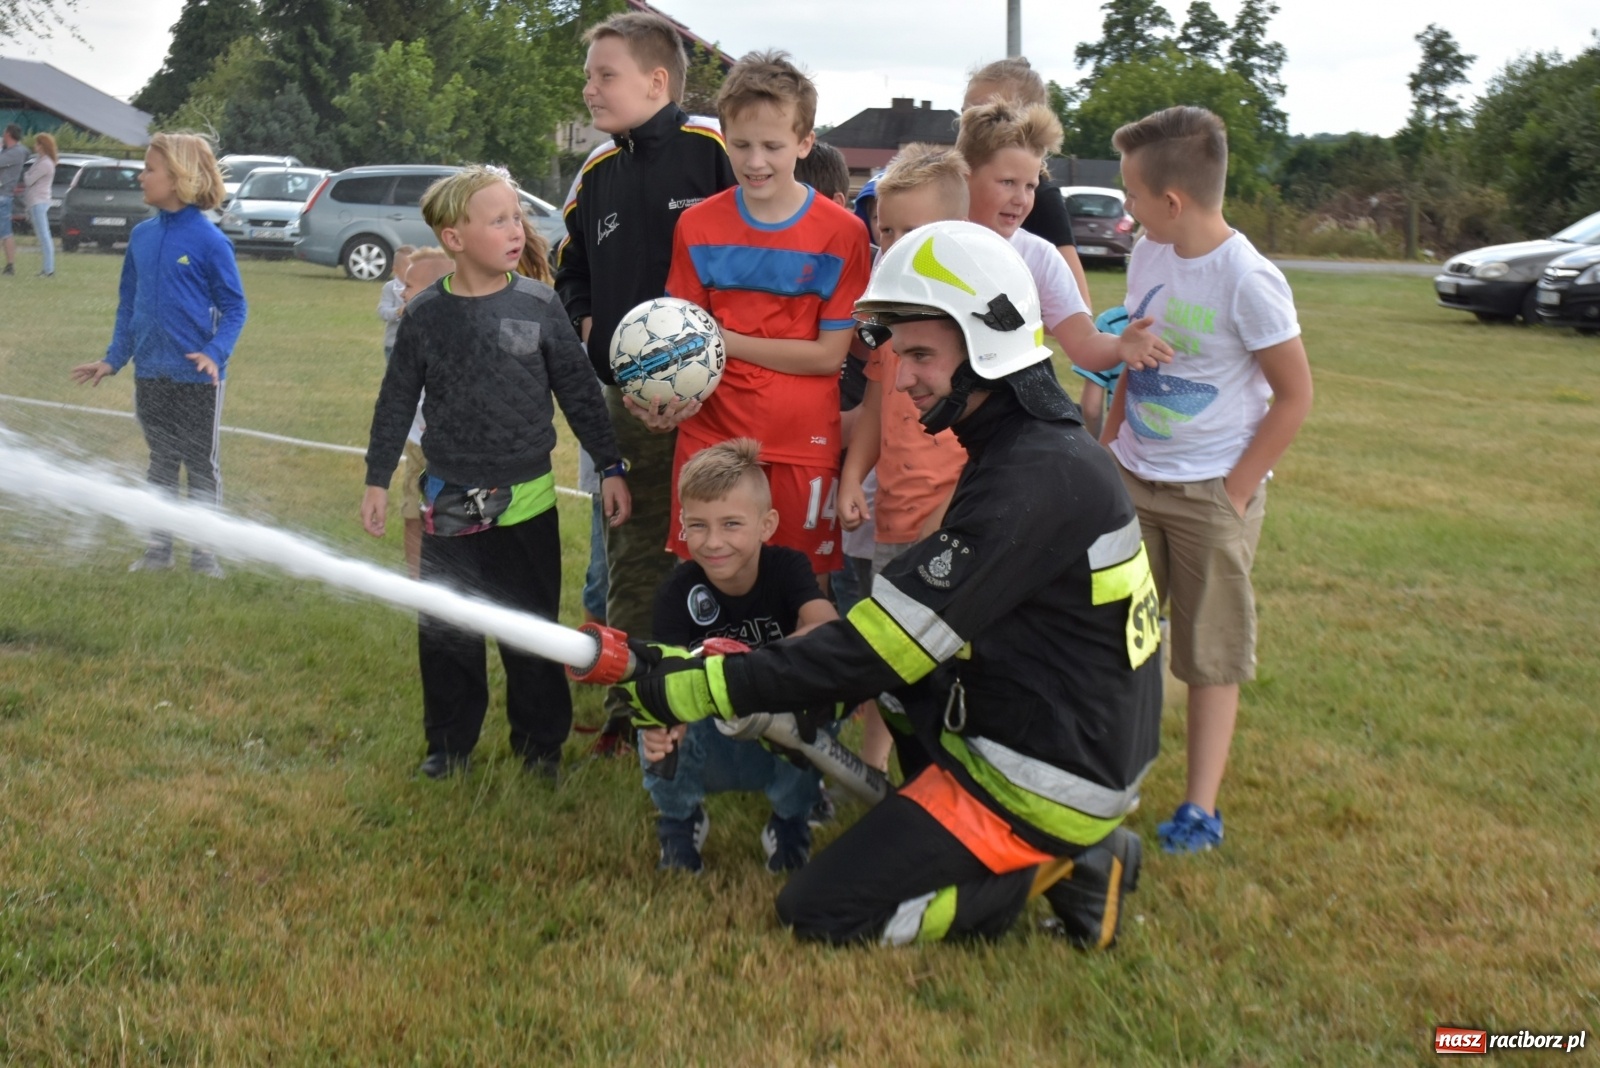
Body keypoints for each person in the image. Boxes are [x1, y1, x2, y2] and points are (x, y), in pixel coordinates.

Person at [621, 221, 1163, 948]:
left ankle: (1066, 864)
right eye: (900, 354)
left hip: (1047, 779)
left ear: (986, 343)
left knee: (817, 910)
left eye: (920, 355)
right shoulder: (1032, 447)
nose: (902, 379)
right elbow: (899, 634)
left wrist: (709, 686)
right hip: (1047, 729)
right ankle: (942, 816)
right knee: (897, 680)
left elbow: (883, 646)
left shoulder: (1034, 478)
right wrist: (805, 692)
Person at [361, 167, 631, 782]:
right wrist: (377, 479)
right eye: (499, 220)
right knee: (447, 631)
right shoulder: (425, 315)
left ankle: (540, 750)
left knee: (531, 631)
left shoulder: (539, 305)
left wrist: (610, 466)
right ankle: (448, 746)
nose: (517, 230)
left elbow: (579, 395)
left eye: (517, 217)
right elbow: (395, 401)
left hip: (527, 502)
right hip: (447, 502)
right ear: (454, 239)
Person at [1103, 106, 1313, 854]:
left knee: (1208, 653)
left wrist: (1234, 492)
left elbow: (1295, 396)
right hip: (1133, 478)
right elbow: (1133, 358)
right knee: (1118, 638)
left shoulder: (1248, 279)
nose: (1126, 208)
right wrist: (1109, 446)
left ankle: (1199, 808)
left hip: (1209, 494)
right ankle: (1107, 778)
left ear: (1172, 201)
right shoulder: (1148, 254)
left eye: (1131, 194)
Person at [555, 9, 737, 755]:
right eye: (589, 76)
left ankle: (726, 708)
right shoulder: (597, 173)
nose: (590, 90)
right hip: (630, 406)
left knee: (724, 547)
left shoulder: (714, 152)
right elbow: (572, 272)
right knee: (634, 554)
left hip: (727, 402)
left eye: (606, 76)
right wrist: (592, 331)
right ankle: (634, 712)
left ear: (657, 81)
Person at [661, 50, 873, 584]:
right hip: (710, 439)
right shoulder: (696, 226)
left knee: (801, 593)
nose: (755, 161)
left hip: (803, 443)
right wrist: (657, 397)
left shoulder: (843, 234)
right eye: (742, 145)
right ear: (725, 138)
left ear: (804, 143)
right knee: (706, 589)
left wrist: (724, 340)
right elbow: (684, 346)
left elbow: (827, 357)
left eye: (772, 146)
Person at [837, 144, 974, 774]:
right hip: (892, 522)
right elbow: (873, 406)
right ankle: (873, 772)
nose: (890, 244)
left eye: (909, 232)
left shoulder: (975, 322)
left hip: (955, 528)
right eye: (885, 229)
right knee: (888, 651)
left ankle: (948, 780)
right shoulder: (886, 318)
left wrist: (951, 510)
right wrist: (851, 477)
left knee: (949, 662)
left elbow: (1003, 438)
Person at [643, 438, 838, 874]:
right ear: (682, 524)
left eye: (731, 524)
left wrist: (759, 668)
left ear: (767, 525)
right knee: (653, 715)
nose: (714, 542)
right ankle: (679, 821)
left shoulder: (787, 567)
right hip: (709, 733)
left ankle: (790, 821)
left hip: (777, 729)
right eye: (698, 525)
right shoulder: (676, 592)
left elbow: (826, 625)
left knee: (822, 699)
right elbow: (666, 674)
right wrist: (664, 720)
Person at [69, 132, 247, 578]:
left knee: (200, 464)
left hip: (198, 378)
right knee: (162, 459)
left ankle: (204, 555)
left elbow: (235, 308)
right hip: (149, 372)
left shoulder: (210, 241)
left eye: (149, 169)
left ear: (179, 177)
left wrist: (214, 352)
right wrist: (114, 358)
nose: (141, 177)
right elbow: (129, 305)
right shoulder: (141, 237)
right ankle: (158, 550)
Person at [957, 101, 1161, 381]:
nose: (1021, 199)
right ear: (964, 177)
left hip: (1003, 404)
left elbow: (1084, 342)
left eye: (1030, 186)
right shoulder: (925, 241)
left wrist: (1119, 345)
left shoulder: (1040, 257)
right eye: (1007, 182)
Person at [963, 58, 1091, 308]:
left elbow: (1078, 303)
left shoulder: (1041, 198)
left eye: (984, 111)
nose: (969, 122)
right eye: (965, 112)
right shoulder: (945, 183)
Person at [380, 246, 453, 580]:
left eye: (409, 286)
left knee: (445, 522)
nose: (402, 293)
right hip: (415, 446)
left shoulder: (457, 340)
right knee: (412, 514)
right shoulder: (409, 340)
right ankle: (416, 585)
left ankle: (447, 584)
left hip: (447, 454)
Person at [22, 132, 57, 277]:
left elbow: (29, 180)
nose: (34, 146)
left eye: (37, 143)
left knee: (44, 235)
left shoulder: (45, 163)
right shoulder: (40, 160)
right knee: (42, 235)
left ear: (42, 146)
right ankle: (47, 268)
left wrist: (26, 175)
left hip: (39, 201)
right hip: (35, 201)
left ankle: (49, 269)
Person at [378, 244, 419, 362]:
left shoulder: (424, 286)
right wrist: (398, 311)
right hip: (394, 344)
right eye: (408, 266)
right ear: (395, 270)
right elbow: (382, 311)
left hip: (418, 344)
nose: (413, 270)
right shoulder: (390, 288)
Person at [0, 124, 29, 276]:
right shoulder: (12, 151)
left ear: (9, 134)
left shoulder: (15, 153)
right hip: (4, 195)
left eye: (4, 133)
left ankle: (10, 265)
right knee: (5, 232)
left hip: (3, 195)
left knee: (5, 232)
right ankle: (9, 265)